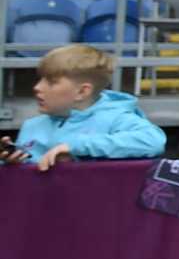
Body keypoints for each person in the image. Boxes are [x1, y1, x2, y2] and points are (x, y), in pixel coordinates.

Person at [0, 44, 164, 172]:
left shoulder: (116, 118)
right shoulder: (32, 126)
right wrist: (12, 164)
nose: (37, 87)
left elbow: (153, 141)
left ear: (82, 92)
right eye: (40, 80)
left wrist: (75, 146)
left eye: (51, 82)